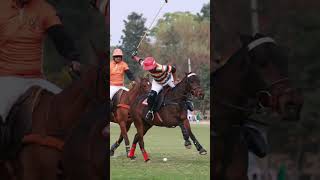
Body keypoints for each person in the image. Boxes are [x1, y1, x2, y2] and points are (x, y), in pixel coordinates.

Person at [0, 0, 80, 123]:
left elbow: (60, 37)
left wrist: (73, 58)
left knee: (67, 107)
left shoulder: (43, 8)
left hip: (36, 79)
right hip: (6, 78)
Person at [131, 51, 177, 122]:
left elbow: (174, 69)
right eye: (148, 68)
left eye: (150, 68)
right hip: (157, 82)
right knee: (151, 96)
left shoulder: (162, 68)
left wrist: (175, 80)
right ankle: (151, 111)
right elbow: (140, 61)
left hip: (168, 80)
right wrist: (134, 57)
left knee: (177, 92)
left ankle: (188, 101)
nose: (150, 69)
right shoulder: (145, 65)